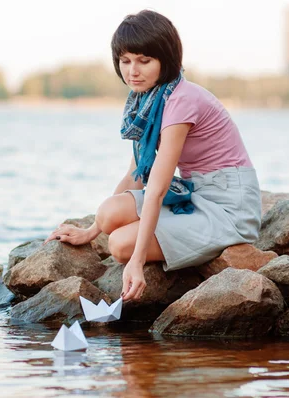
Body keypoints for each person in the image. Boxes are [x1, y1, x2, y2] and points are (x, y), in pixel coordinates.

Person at [44, 10, 261, 302]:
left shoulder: (181, 101)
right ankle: (169, 238)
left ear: (166, 60)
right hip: (197, 194)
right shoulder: (147, 99)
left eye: (144, 61)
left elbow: (156, 188)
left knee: (121, 245)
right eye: (125, 61)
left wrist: (136, 261)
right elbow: (136, 174)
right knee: (108, 213)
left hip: (229, 206)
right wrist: (91, 231)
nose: (133, 71)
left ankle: (190, 248)